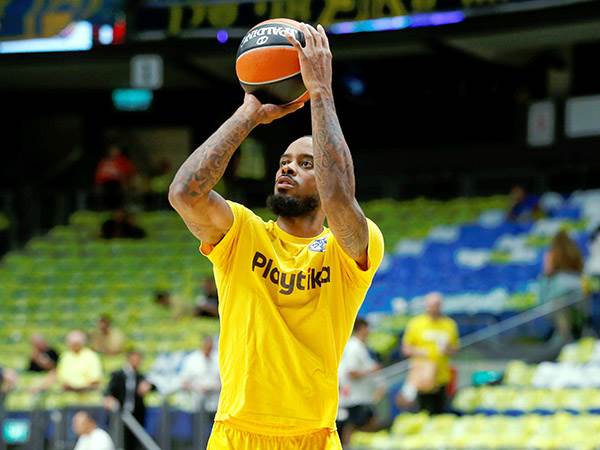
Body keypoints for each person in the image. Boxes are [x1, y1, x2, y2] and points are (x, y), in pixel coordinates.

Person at [168, 23, 384, 450]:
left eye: (306, 163)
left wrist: (320, 93)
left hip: (313, 437)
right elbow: (184, 194)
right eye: (284, 160)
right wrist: (247, 115)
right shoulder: (242, 232)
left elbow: (339, 197)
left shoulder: (350, 248)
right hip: (236, 433)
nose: (287, 167)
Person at [400, 292, 459, 415]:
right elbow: (406, 349)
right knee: (423, 412)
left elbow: (455, 349)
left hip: (442, 376)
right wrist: (419, 351)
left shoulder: (449, 324)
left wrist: (447, 350)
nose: (433, 308)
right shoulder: (416, 323)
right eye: (431, 305)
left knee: (441, 412)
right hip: (422, 377)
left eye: (436, 305)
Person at [338, 318, 384, 446]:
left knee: (358, 425)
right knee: (354, 426)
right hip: (355, 397)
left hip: (361, 397)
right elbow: (352, 372)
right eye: (367, 328)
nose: (370, 331)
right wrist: (372, 370)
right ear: (362, 329)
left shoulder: (359, 346)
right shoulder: (354, 347)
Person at [539, 229, 585, 341]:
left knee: (557, 304)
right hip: (577, 291)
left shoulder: (552, 254)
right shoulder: (575, 251)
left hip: (562, 292)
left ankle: (564, 337)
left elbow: (547, 271)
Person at [104, 349, 154, 450]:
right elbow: (109, 391)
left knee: (134, 443)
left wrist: (149, 387)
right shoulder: (118, 375)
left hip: (136, 415)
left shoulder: (140, 376)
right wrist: (110, 400)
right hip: (120, 415)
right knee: (119, 441)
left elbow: (153, 386)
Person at [179, 335, 220, 414]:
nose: (208, 349)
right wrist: (197, 387)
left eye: (210, 347)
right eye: (206, 346)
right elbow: (183, 382)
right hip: (197, 405)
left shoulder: (218, 358)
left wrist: (214, 387)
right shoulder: (191, 359)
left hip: (216, 404)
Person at [95, 144, 136, 210]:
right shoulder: (105, 161)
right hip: (106, 184)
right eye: (112, 150)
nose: (114, 152)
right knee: (106, 194)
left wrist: (126, 180)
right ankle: (107, 208)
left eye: (115, 150)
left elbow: (130, 171)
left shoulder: (123, 161)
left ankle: (120, 208)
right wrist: (98, 183)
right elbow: (100, 174)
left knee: (119, 193)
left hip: (119, 183)